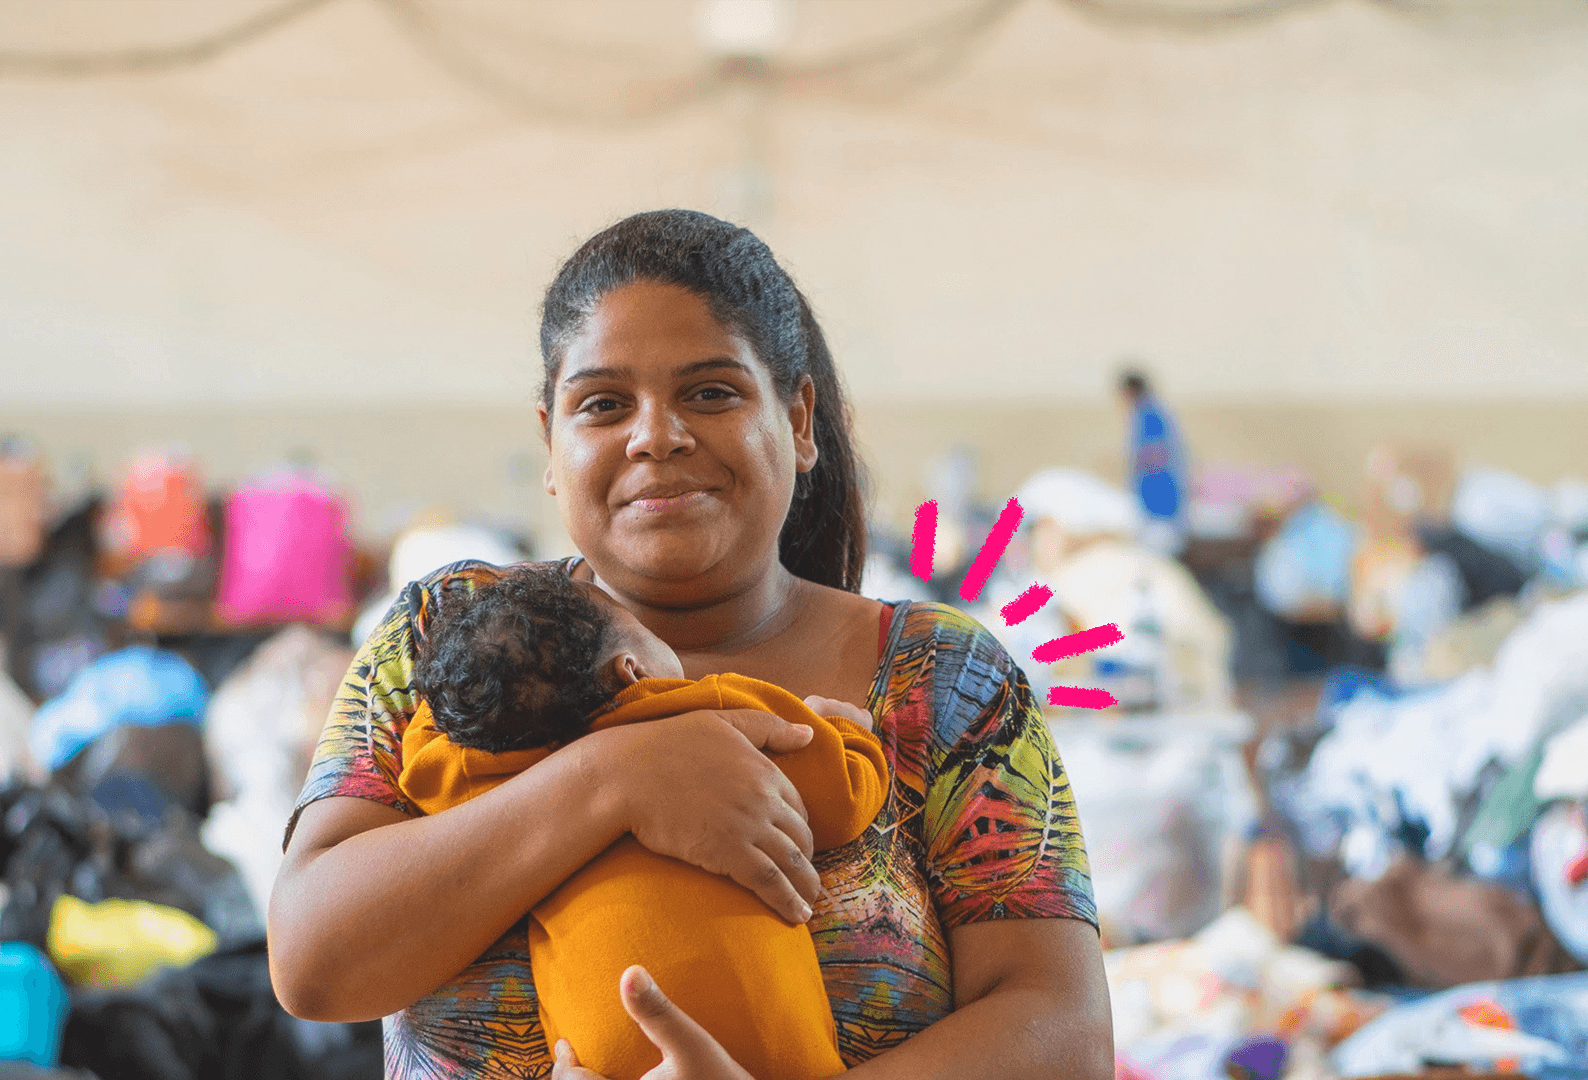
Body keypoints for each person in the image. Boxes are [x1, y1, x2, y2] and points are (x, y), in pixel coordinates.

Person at [270, 209, 1112, 1080]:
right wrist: (613, 780)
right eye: (603, 404)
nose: (655, 436)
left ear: (799, 420)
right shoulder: (452, 634)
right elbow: (314, 963)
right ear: (550, 447)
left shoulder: (942, 683)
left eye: (711, 392)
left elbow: (1060, 1029)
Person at [402, 563, 889, 1080]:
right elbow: (841, 801)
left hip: (603, 1054)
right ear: (633, 670)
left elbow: (423, 761)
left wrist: (476, 684)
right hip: (773, 1048)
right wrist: (847, 731)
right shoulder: (704, 708)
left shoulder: (480, 769)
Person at [1118, 367, 1189, 555]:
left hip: (1159, 505)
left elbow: (1158, 454)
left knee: (1154, 554)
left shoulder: (1150, 414)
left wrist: (1132, 462)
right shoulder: (1148, 412)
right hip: (1155, 505)